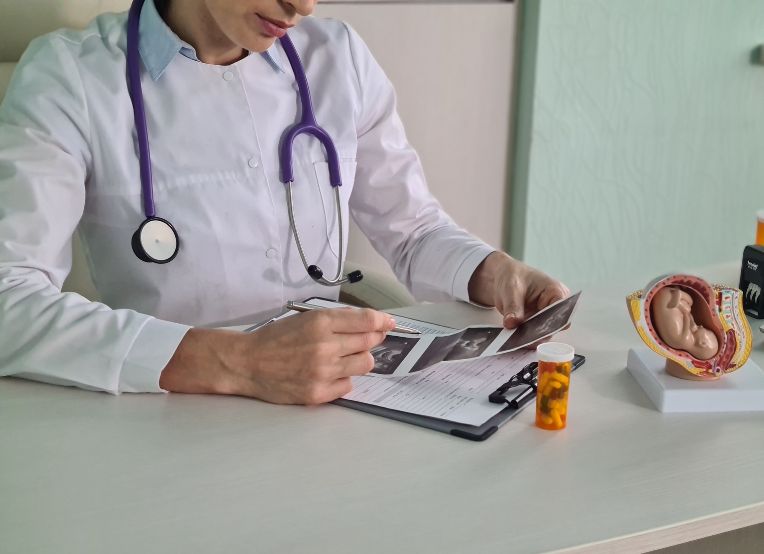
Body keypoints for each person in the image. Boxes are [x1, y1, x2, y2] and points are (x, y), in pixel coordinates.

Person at [0, 0, 569, 404]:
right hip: (166, 411)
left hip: (330, 405)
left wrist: (493, 273)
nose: (303, 6)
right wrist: (242, 363)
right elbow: (9, 298)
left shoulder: (337, 58)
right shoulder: (71, 76)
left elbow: (413, 227)